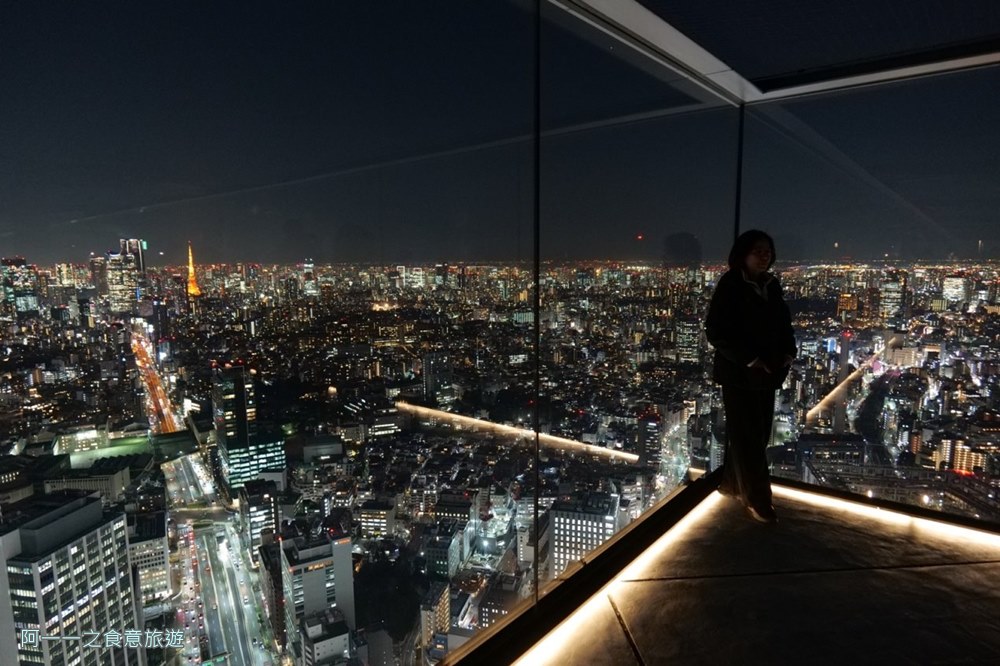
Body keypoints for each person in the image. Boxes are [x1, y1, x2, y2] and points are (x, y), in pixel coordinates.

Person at [705, 230, 796, 523]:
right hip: (738, 374)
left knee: (757, 433)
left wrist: (788, 353)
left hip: (767, 372)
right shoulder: (731, 284)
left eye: (767, 251)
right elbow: (715, 330)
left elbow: (784, 324)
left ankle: (731, 483)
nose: (764, 255)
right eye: (758, 250)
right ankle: (759, 499)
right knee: (748, 437)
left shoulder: (771, 285)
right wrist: (751, 359)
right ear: (743, 254)